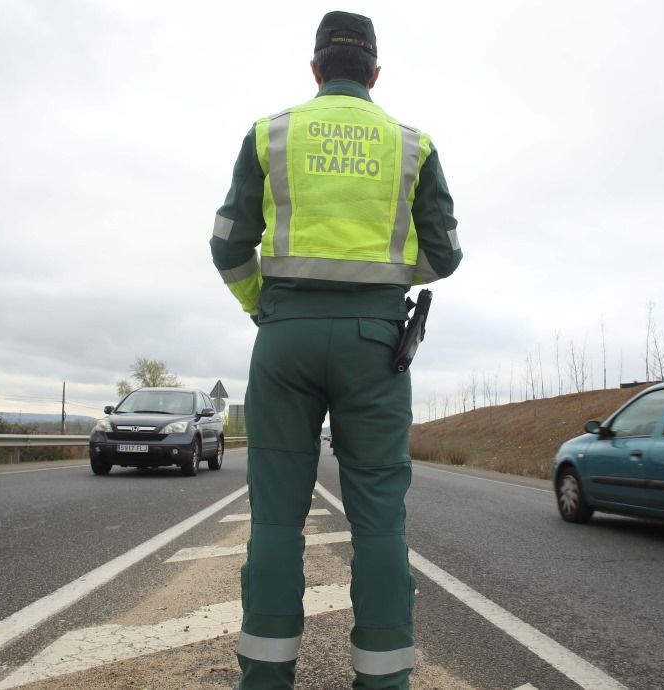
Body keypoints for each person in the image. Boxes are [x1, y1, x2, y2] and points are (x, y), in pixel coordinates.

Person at [210, 10, 461, 690]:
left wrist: (262, 304)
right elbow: (445, 254)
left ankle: (264, 680)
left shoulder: (271, 133)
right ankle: (383, 681)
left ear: (315, 68)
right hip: (375, 347)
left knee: (275, 524)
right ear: (374, 74)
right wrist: (380, 287)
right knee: (379, 522)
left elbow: (227, 245)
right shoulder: (414, 145)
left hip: (284, 340)